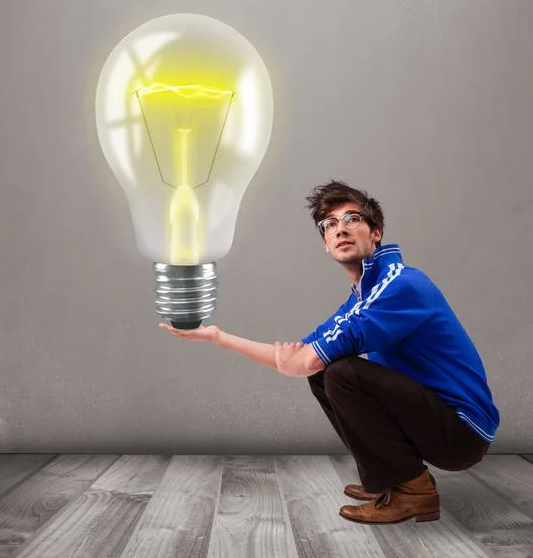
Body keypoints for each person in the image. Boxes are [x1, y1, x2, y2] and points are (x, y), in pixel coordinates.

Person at [160, 180, 500, 526]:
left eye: (353, 219)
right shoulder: (361, 298)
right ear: (325, 243)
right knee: (325, 372)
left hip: (463, 432)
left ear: (376, 233)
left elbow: (303, 360)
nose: (341, 229)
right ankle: (389, 478)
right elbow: (294, 360)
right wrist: (218, 337)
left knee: (341, 372)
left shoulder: (400, 285)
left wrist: (302, 360)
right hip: (432, 420)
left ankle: (414, 492)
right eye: (330, 225)